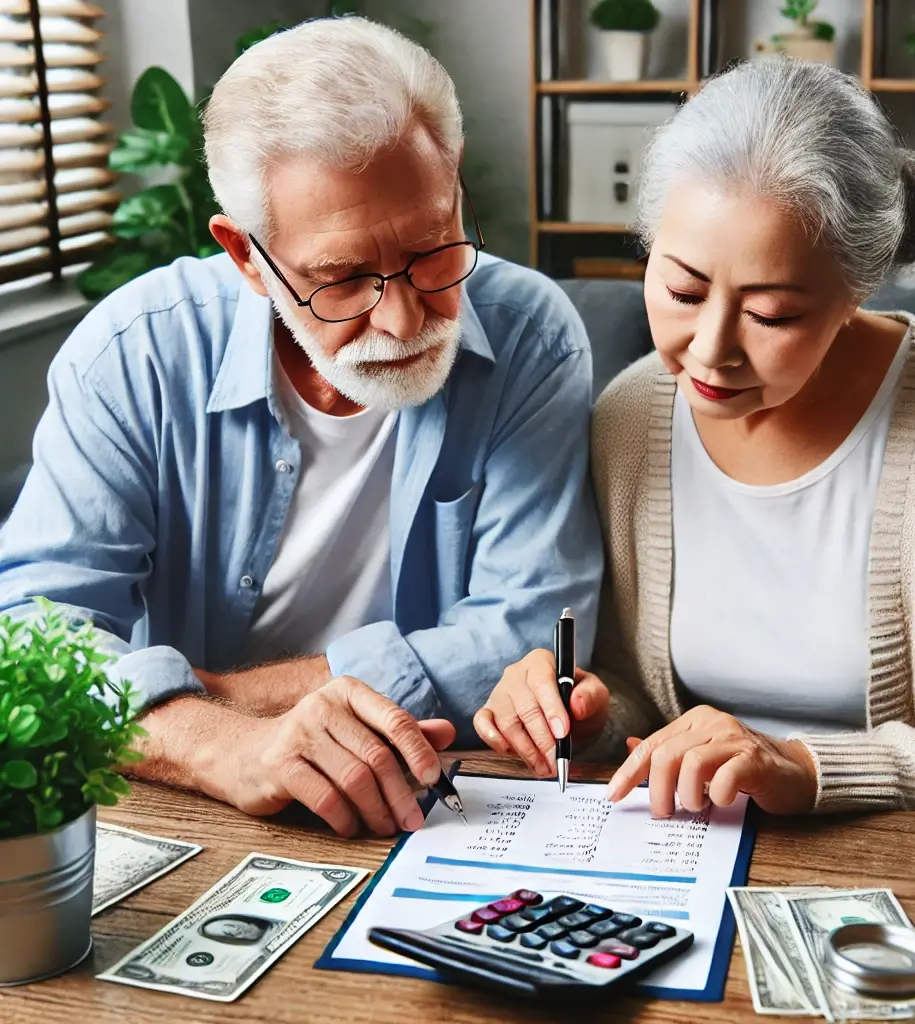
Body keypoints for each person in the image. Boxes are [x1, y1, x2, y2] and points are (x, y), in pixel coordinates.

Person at [0, 18, 602, 837]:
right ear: (246, 256)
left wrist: (214, 693)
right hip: (190, 807)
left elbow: (529, 636)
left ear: (453, 183)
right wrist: (221, 745)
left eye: (432, 250)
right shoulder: (133, 352)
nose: (402, 317)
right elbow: (36, 638)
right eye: (343, 278)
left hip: (447, 800)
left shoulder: (532, 335)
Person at [476, 58, 915, 820]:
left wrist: (806, 769)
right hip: (687, 846)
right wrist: (593, 716)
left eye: (771, 316)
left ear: (854, 291)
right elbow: (638, 690)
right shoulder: (631, 420)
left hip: (906, 867)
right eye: (682, 291)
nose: (710, 349)